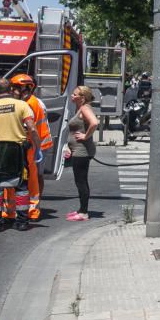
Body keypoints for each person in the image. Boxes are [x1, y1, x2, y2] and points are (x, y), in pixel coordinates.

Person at [0, 78, 39, 231]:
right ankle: (22, 222)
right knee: (22, 187)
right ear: (11, 89)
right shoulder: (22, 105)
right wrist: (37, 148)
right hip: (18, 152)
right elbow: (32, 128)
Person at [10, 74, 53, 222]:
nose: (13, 91)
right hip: (39, 143)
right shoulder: (35, 101)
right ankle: (33, 206)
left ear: (24, 88)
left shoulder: (29, 104)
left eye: (15, 88)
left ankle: (32, 207)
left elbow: (30, 129)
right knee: (34, 177)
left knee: (32, 178)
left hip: (36, 145)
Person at [65, 85, 98, 221]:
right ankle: (81, 209)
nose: (72, 96)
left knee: (81, 181)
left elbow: (94, 123)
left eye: (74, 94)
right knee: (80, 181)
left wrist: (85, 136)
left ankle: (84, 213)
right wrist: (68, 146)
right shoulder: (81, 108)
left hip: (82, 151)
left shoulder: (84, 108)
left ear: (82, 98)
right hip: (77, 150)